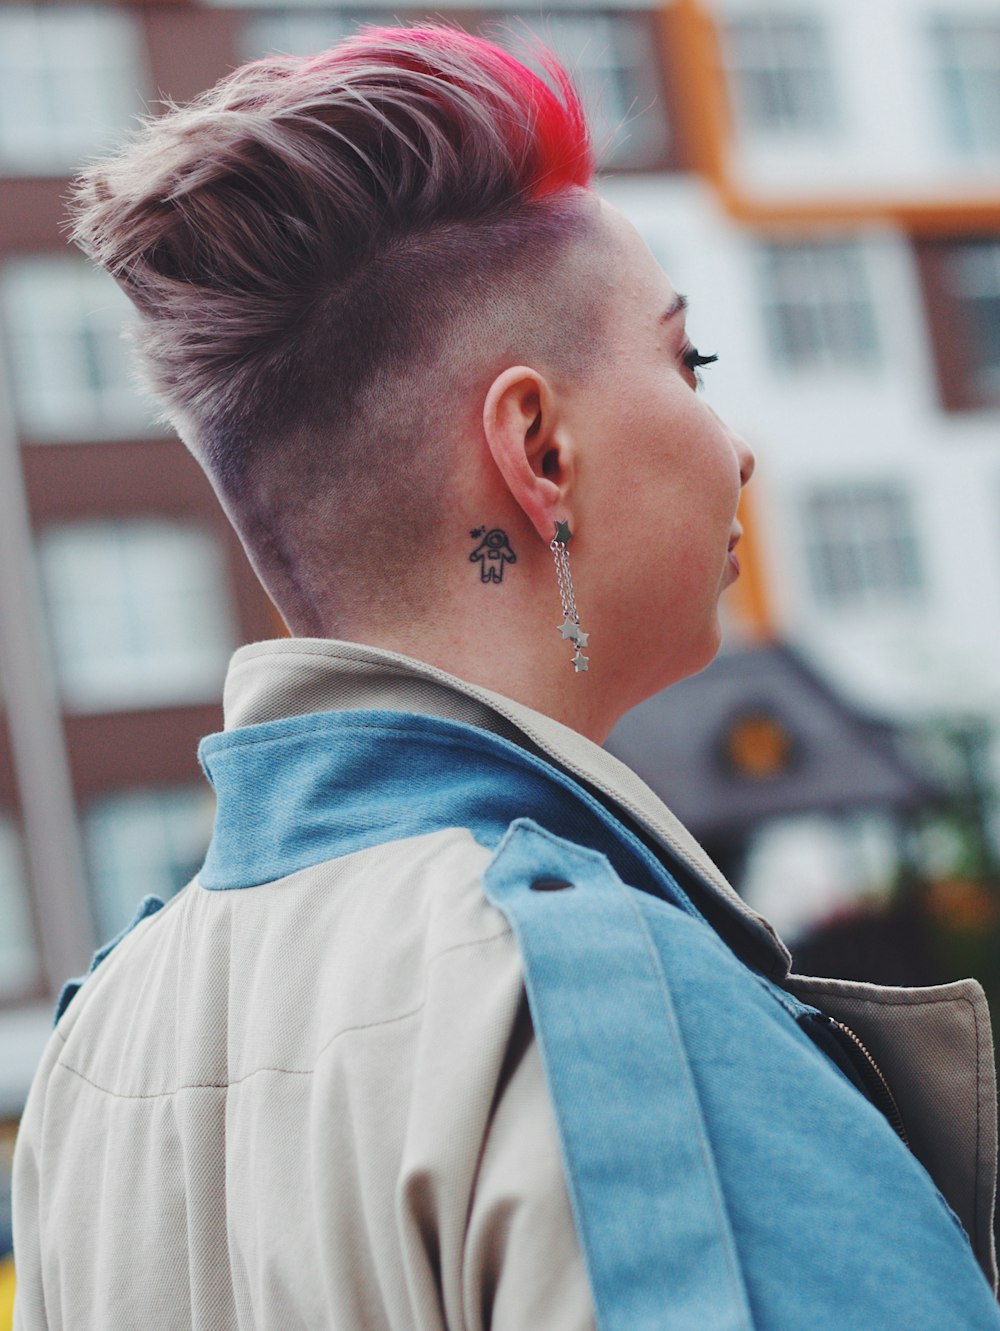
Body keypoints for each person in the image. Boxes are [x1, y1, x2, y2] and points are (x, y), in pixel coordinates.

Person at [11, 24, 1000, 1330]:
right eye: (688, 363)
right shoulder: (606, 1004)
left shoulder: (104, 1043)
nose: (735, 446)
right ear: (536, 448)